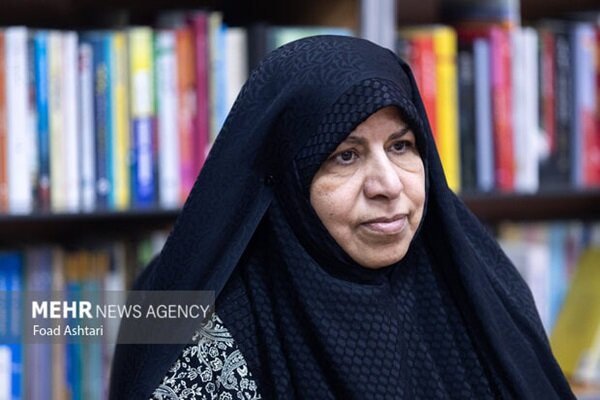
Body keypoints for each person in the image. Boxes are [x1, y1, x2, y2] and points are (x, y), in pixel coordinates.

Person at [109, 35, 574, 399]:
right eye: (345, 156)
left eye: (401, 146)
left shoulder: (482, 285)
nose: (388, 185)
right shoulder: (201, 329)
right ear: (288, 177)